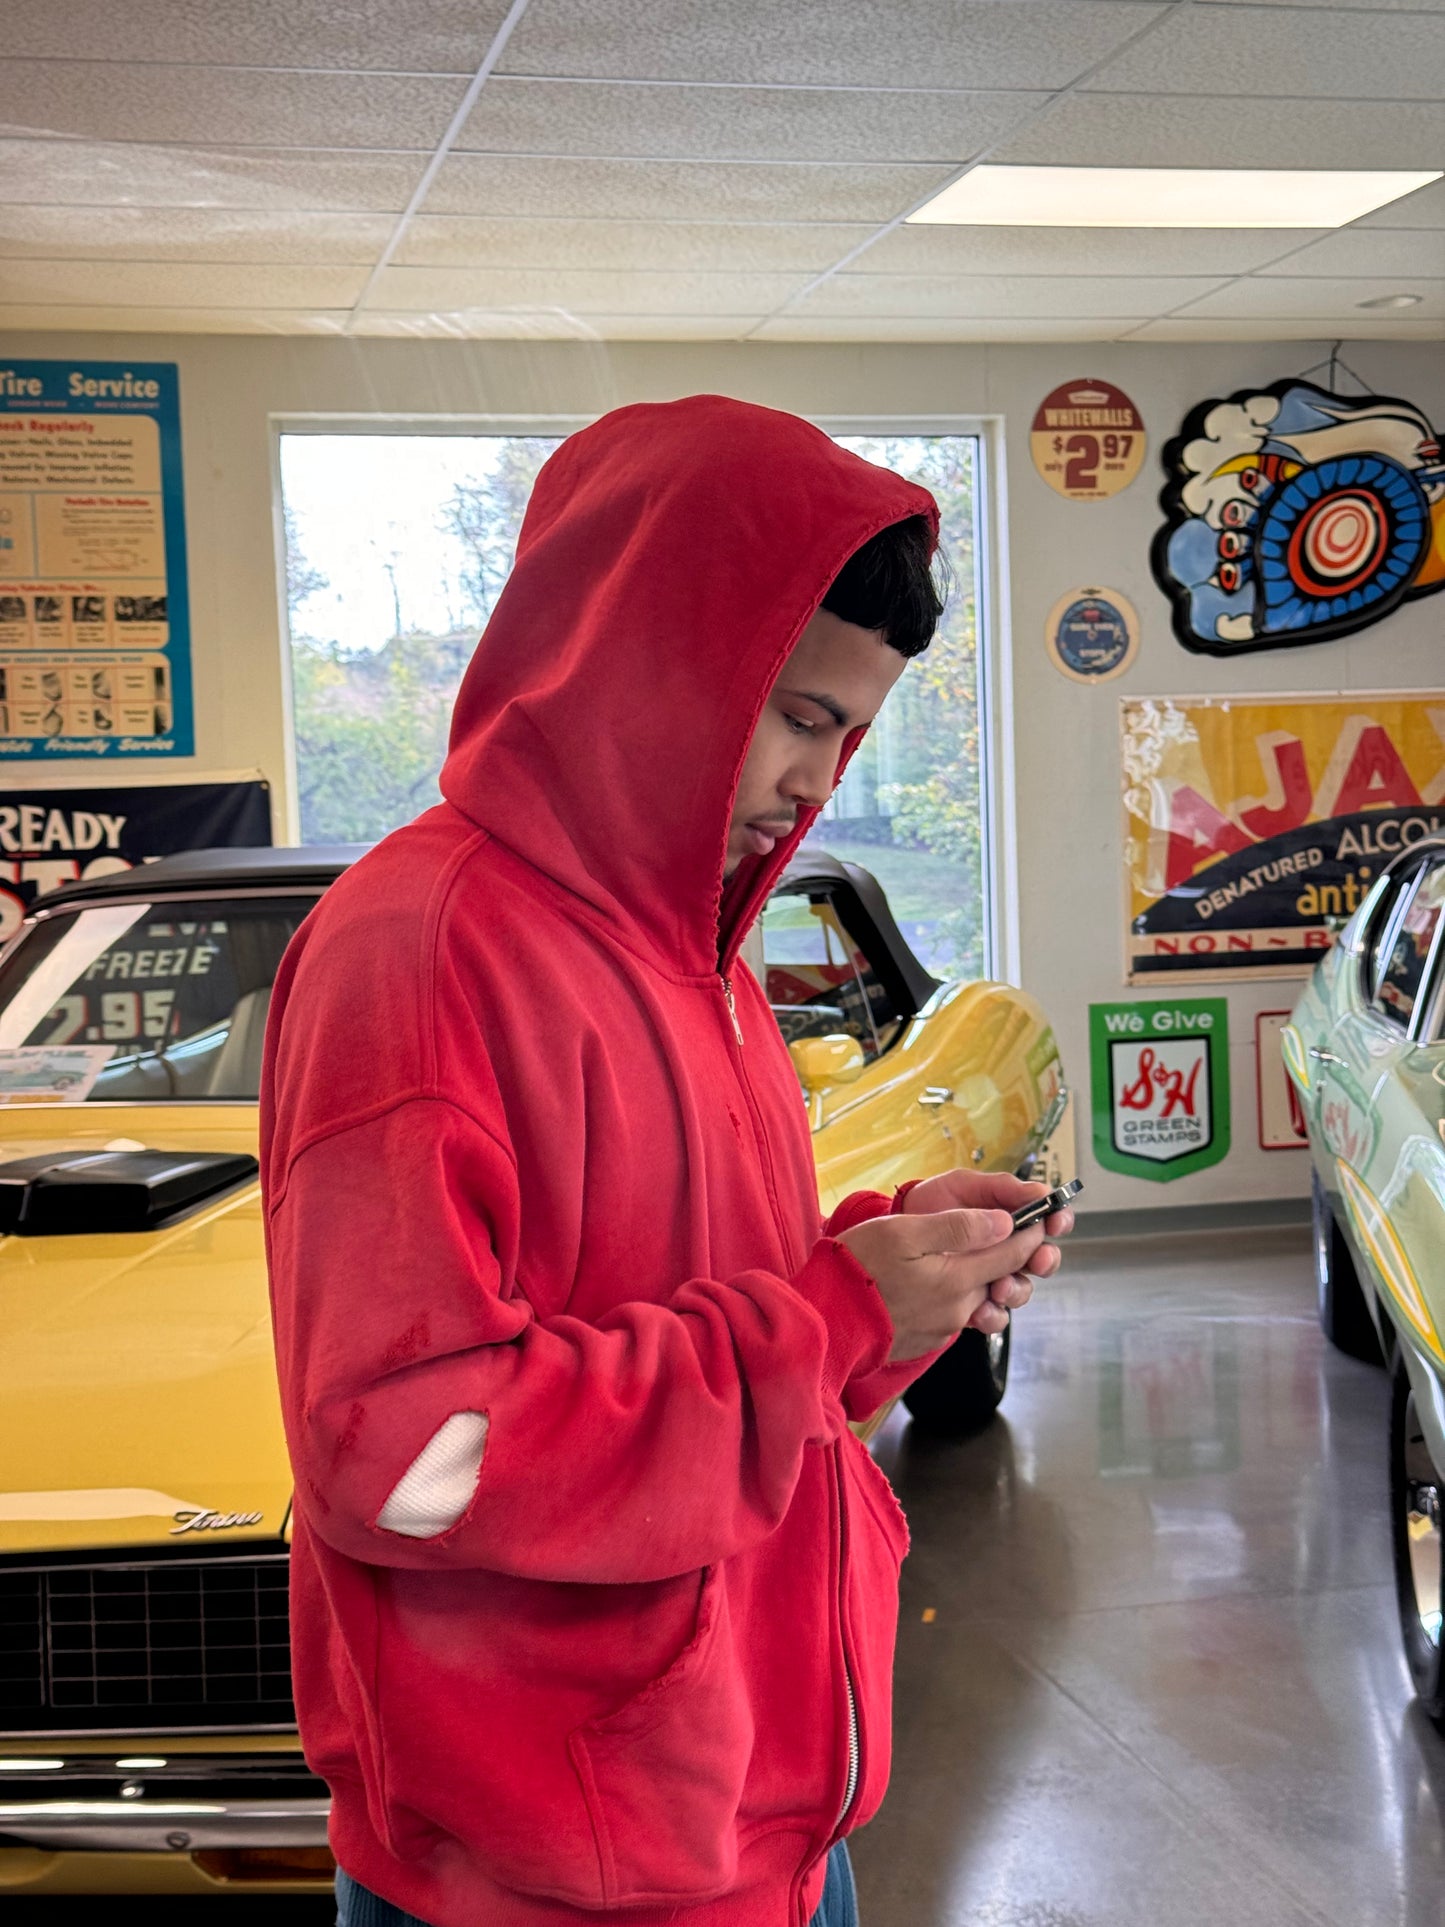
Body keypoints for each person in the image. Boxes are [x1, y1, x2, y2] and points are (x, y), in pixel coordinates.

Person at [261, 396, 1072, 1927]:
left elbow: (701, 1316)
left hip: (761, 1801)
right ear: (634, 655)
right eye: (797, 715)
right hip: (548, 1866)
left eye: (846, 730)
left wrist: (891, 1275)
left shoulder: (695, 953)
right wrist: (828, 1322)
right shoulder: (419, 954)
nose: (808, 780)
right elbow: (406, 1460)